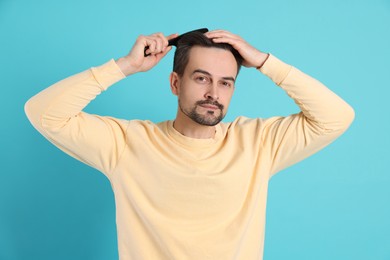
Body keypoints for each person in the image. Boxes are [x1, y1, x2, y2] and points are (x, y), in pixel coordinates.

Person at [25, 29, 355, 260]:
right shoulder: (126, 143)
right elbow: (43, 113)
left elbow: (336, 116)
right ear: (174, 82)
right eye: (201, 78)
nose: (214, 93)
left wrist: (266, 62)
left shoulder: (258, 143)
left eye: (225, 83)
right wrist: (125, 66)